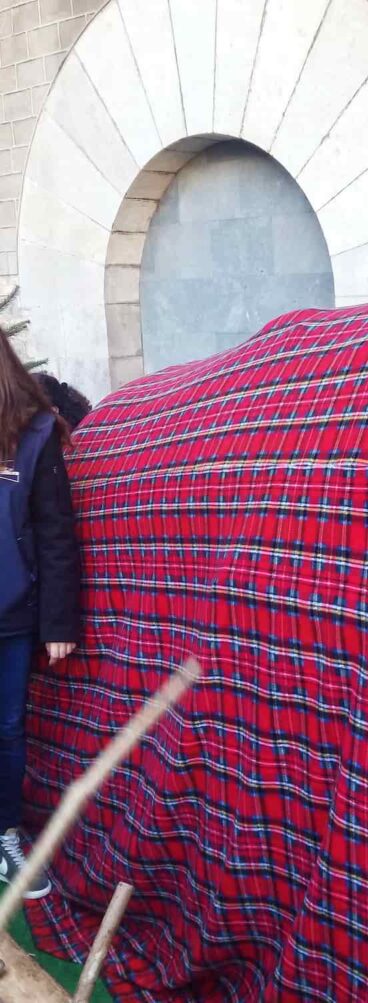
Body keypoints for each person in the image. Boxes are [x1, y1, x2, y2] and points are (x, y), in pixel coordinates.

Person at [0, 335, 80, 898]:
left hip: (11, 614)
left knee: (6, 730)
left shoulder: (34, 433)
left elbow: (56, 532)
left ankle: (3, 833)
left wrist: (58, 622)